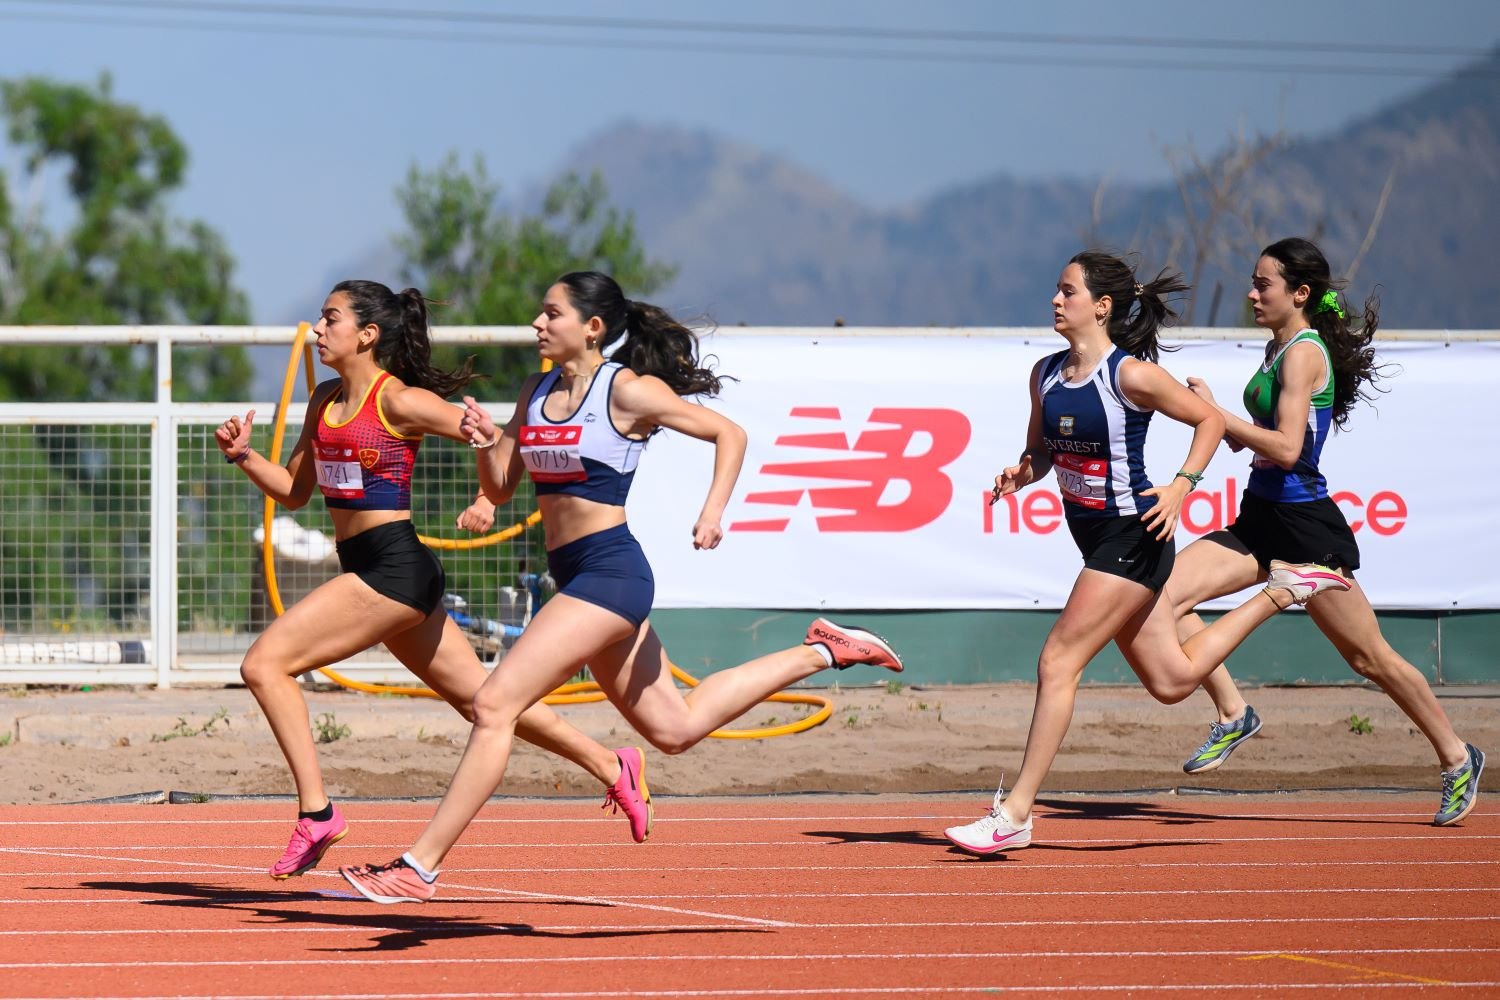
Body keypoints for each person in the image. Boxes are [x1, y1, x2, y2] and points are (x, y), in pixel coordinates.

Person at [338, 271, 902, 903]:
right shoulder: (536, 391)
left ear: (593, 327)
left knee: (495, 704)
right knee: (676, 730)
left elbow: (729, 434)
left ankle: (420, 867)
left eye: (552, 314)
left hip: (612, 574)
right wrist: (483, 440)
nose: (538, 324)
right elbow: (501, 484)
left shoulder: (628, 391)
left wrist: (713, 512)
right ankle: (824, 649)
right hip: (576, 577)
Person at [215, 279, 654, 879]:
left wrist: (488, 498)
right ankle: (613, 766)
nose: (318, 330)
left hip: (393, 569)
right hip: (372, 569)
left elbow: (490, 436)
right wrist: (244, 457)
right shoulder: (322, 401)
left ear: (367, 334)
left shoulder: (400, 402)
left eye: (329, 319)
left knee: (264, 665)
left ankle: (317, 814)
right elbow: (295, 492)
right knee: (485, 704)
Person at [943, 250, 1352, 856]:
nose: (1056, 301)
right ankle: (1282, 592)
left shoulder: (1130, 375)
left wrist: (1183, 485)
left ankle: (1016, 813)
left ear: (1102, 307)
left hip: (1133, 537)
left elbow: (1208, 422)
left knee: (1058, 661)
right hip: (1098, 539)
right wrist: (1020, 474)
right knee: (1172, 681)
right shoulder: (1046, 375)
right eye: (1056, 291)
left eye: (1068, 292)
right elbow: (1044, 452)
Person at [1165, 237, 1484, 826]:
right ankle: (1234, 712)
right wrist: (1217, 413)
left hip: (1307, 531)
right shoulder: (1276, 345)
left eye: (1264, 284)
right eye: (1254, 282)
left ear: (1300, 294)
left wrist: (1218, 418)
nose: (1252, 293)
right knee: (1165, 593)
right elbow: (1260, 441)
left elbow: (1288, 450)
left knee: (1368, 657)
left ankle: (1457, 755)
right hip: (1258, 519)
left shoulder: (1304, 353)